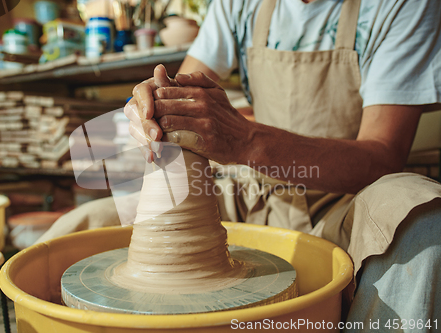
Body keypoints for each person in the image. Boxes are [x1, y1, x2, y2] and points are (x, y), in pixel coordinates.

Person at [38, 0, 441, 329]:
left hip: (344, 203)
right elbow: (180, 91)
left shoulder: (400, 5)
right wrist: (156, 107)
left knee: (424, 221)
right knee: (83, 223)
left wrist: (246, 141)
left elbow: (383, 156)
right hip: (255, 191)